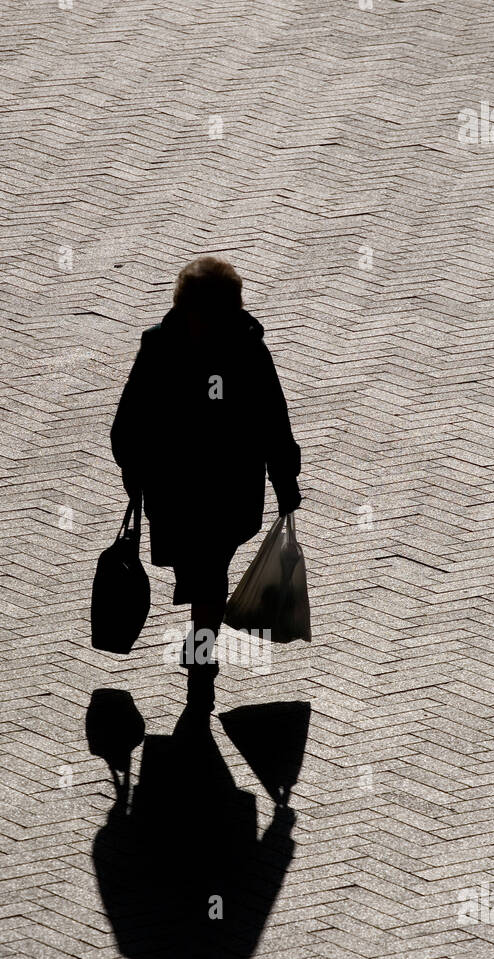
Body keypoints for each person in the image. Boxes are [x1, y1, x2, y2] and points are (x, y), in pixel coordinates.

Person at [110, 256, 302, 710]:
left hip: (220, 491)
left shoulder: (224, 350)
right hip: (181, 489)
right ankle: (200, 641)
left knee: (208, 572)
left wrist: (285, 477)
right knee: (203, 572)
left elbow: (272, 421)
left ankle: (200, 653)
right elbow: (129, 424)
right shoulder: (177, 349)